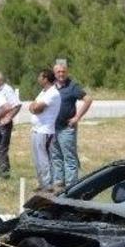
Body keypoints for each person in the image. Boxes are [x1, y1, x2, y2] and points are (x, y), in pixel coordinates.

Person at [51, 62, 93, 190]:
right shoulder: (51, 86)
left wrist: (77, 117)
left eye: (63, 71)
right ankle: (59, 183)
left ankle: (71, 186)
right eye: (58, 72)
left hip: (66, 128)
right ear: (54, 73)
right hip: (53, 128)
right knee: (56, 156)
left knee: (69, 157)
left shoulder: (72, 86)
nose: (61, 74)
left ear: (67, 72)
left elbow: (88, 99)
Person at [29, 69, 61, 192]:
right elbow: (33, 106)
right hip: (36, 130)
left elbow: (36, 108)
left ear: (46, 78)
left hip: (45, 131)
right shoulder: (43, 92)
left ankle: (48, 185)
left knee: (44, 159)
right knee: (37, 159)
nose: (38, 79)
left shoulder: (53, 93)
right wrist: (34, 107)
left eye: (40, 77)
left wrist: (34, 107)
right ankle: (42, 183)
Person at [0, 71, 22, 178]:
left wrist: (9, 117)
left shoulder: (7, 90)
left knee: (1, 148)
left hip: (3, 124)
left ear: (0, 80)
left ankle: (4, 173)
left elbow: (17, 105)